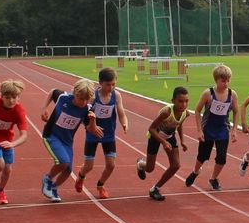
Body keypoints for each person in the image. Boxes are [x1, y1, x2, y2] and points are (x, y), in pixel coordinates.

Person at [40, 79, 101, 203]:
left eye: (87, 99)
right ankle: (48, 179)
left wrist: (93, 120)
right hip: (52, 135)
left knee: (68, 170)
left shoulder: (87, 109)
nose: (83, 102)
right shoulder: (63, 98)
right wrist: (44, 108)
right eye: (81, 99)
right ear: (75, 93)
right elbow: (52, 92)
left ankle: (54, 188)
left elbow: (90, 129)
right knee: (63, 162)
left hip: (67, 141)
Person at [74, 67, 128, 199]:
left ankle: (100, 185)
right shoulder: (93, 97)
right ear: (100, 83)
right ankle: (81, 176)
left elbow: (121, 113)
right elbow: (84, 115)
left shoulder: (116, 95)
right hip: (92, 133)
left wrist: (124, 123)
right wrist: (91, 126)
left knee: (111, 165)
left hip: (108, 134)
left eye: (114, 84)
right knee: (89, 166)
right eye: (108, 85)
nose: (111, 87)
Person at [184, 64, 238, 191]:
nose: (226, 83)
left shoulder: (232, 94)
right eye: (223, 81)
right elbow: (197, 111)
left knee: (222, 158)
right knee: (202, 156)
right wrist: (199, 130)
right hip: (208, 129)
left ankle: (213, 178)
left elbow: (236, 112)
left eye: (228, 80)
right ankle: (195, 171)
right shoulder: (208, 94)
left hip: (223, 130)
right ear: (216, 80)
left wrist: (234, 130)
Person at [136, 86, 190, 200]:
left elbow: (179, 124)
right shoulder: (166, 112)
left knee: (176, 165)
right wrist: (163, 142)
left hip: (170, 136)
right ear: (173, 101)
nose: (184, 104)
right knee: (150, 168)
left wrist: (182, 141)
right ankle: (140, 164)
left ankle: (155, 188)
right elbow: (151, 128)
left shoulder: (186, 113)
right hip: (155, 136)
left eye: (186, 101)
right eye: (180, 101)